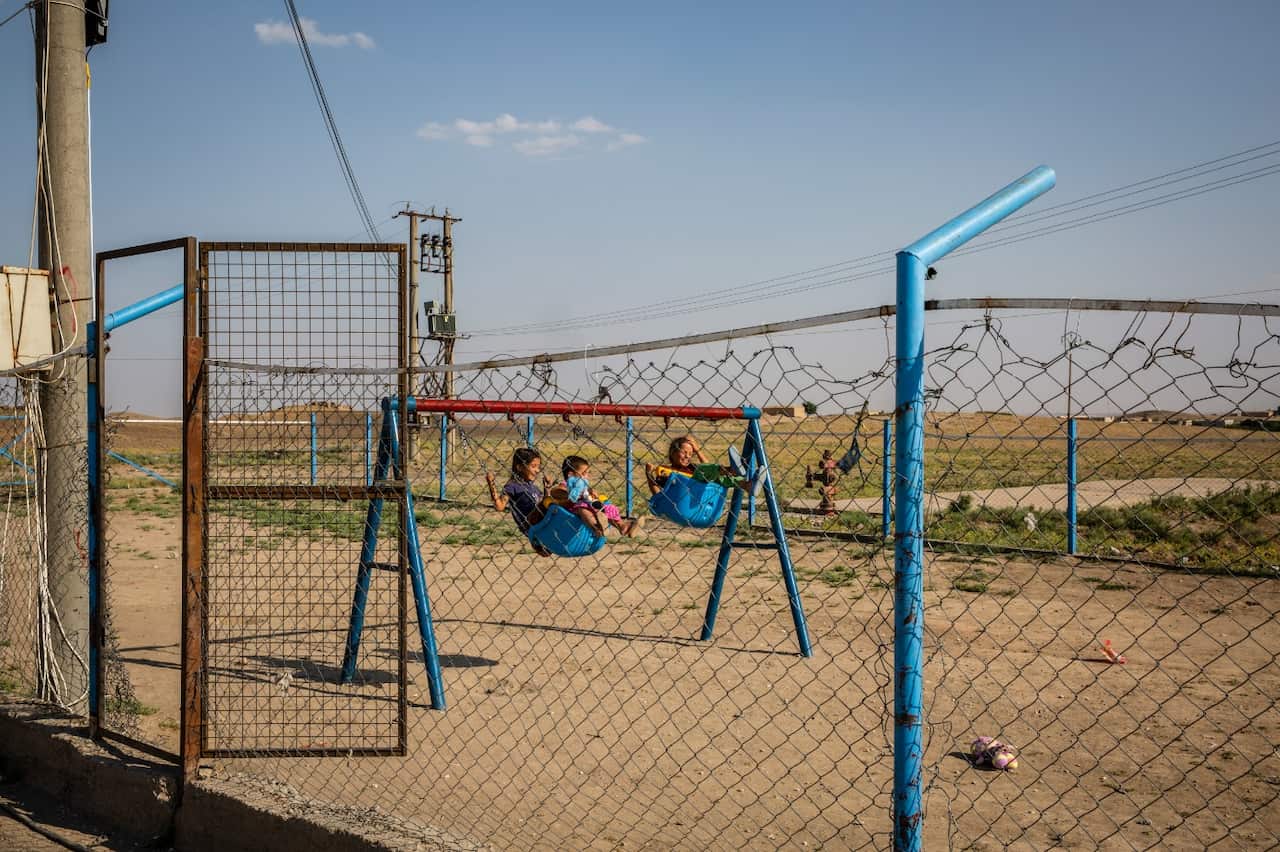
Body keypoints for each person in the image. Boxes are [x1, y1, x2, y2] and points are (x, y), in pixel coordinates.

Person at [645, 435, 765, 496]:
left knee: (719, 477)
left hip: (702, 492)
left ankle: (747, 485)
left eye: (691, 454)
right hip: (683, 497)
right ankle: (732, 469)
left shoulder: (691, 467)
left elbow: (709, 466)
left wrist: (698, 450)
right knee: (703, 470)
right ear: (673, 452)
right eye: (684, 452)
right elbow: (657, 494)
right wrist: (649, 475)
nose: (687, 456)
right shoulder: (666, 471)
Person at [486, 447, 553, 557]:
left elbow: (546, 504)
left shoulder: (533, 487)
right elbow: (500, 506)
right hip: (532, 525)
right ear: (520, 467)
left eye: (538, 467)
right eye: (533, 466)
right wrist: (491, 484)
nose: (537, 470)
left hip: (543, 520)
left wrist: (548, 489)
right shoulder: (512, 486)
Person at [559, 455, 643, 537]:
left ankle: (622, 526)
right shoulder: (565, 485)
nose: (586, 476)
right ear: (571, 475)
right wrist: (572, 494)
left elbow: (589, 497)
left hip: (591, 506)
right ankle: (597, 528)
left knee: (606, 507)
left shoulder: (584, 485)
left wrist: (593, 495)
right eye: (584, 473)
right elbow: (558, 492)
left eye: (588, 473)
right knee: (583, 510)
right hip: (573, 511)